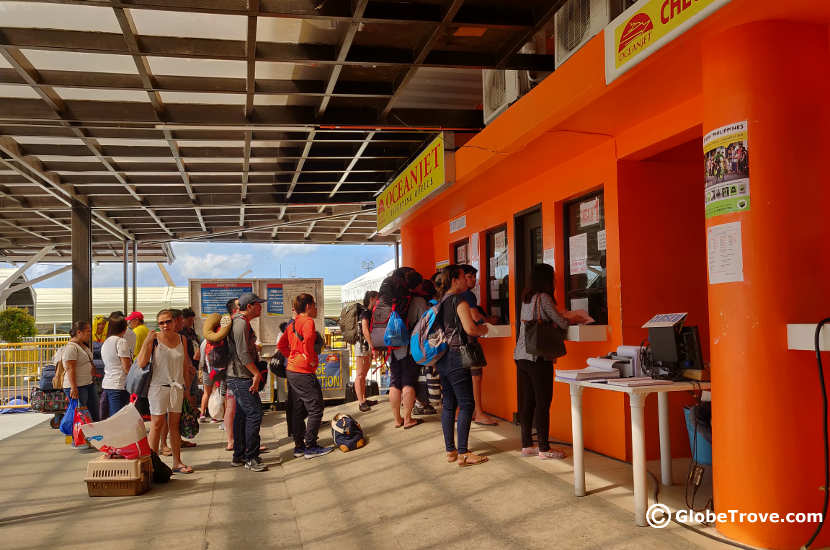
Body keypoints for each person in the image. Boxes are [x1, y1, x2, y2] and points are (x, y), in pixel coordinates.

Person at [514, 263, 588, 460]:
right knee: (543, 402)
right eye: (553, 277)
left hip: (521, 355)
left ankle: (527, 445)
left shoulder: (526, 298)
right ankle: (544, 448)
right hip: (538, 356)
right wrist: (572, 317)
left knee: (528, 402)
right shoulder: (544, 298)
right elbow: (562, 323)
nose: (555, 280)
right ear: (546, 280)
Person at [434, 265, 490, 467]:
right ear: (455, 280)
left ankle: (451, 450)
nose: (467, 281)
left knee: (449, 403)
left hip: (443, 357)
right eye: (462, 278)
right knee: (467, 404)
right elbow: (470, 329)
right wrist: (482, 328)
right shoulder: (459, 301)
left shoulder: (442, 302)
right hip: (458, 356)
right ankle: (464, 453)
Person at [136, 309, 194, 474]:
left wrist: (188, 391)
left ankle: (177, 462)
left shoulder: (182, 339)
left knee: (174, 426)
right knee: (156, 424)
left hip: (177, 387)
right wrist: (147, 342)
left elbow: (184, 366)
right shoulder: (154, 339)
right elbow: (141, 363)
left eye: (168, 321)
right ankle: (150, 464)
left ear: (175, 322)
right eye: (161, 322)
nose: (165, 325)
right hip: (158, 387)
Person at [278, 293, 334, 459]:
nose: (316, 309)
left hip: (292, 370)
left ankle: (299, 446)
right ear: (308, 306)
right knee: (316, 407)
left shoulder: (293, 324)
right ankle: (311, 445)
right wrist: (308, 358)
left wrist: (293, 355)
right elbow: (309, 339)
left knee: (299, 408)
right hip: (303, 371)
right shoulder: (308, 321)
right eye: (315, 305)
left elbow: (281, 345)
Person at [227, 292, 268, 471]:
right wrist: (256, 374)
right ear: (250, 306)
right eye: (258, 304)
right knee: (254, 414)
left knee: (242, 415)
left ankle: (239, 455)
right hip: (241, 377)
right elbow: (243, 354)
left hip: (238, 376)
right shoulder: (241, 323)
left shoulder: (239, 322)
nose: (261, 307)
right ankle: (251, 457)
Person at [379, 267, 423, 429]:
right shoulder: (416, 300)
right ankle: (408, 419)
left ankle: (397, 419)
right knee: (408, 382)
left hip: (392, 346)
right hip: (409, 347)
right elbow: (424, 323)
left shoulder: (391, 299)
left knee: (395, 382)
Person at [458, 264, 499, 426]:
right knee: (476, 377)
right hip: (469, 341)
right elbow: (475, 316)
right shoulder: (467, 295)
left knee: (462, 378)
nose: (473, 280)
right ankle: (479, 412)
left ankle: (460, 410)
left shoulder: (452, 295)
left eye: (474, 277)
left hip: (456, 342)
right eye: (469, 277)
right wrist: (489, 321)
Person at [61, 320, 100, 422]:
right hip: (78, 386)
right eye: (87, 331)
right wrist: (74, 387)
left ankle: (93, 436)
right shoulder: (71, 347)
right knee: (81, 416)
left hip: (88, 383)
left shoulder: (82, 345)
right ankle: (79, 437)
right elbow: (70, 368)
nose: (90, 334)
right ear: (79, 332)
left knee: (94, 412)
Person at [410, 280, 437, 416]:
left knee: (419, 375)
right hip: (422, 344)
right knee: (423, 375)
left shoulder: (409, 300)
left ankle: (420, 403)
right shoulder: (422, 302)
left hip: (412, 343)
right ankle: (422, 403)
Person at [100, 315, 132, 418]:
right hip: (119, 384)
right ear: (124, 328)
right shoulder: (121, 342)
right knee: (119, 418)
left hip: (108, 383)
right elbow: (126, 367)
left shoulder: (106, 342)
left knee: (113, 417)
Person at [355, 291, 379, 413]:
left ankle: (364, 398)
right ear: (371, 299)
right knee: (360, 375)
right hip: (362, 346)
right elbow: (365, 329)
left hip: (366, 346)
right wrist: (372, 347)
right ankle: (361, 402)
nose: (378, 301)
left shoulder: (369, 312)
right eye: (377, 298)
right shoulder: (365, 313)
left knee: (363, 374)